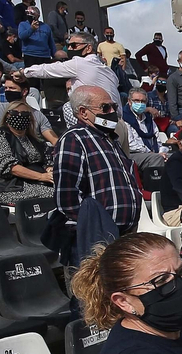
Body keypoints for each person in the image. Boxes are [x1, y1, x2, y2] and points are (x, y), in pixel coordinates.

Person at [53, 85, 141, 255]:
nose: (112, 112)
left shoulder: (110, 140)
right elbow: (67, 195)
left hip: (122, 237)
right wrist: (94, 225)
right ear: (83, 112)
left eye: (114, 107)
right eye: (105, 107)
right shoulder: (74, 139)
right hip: (95, 242)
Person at [14, 33, 118, 111]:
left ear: (88, 48)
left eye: (73, 45)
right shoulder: (109, 71)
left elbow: (47, 70)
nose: (69, 48)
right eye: (68, 45)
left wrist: (23, 72)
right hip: (118, 121)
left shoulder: (79, 63)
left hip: (98, 119)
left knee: (68, 108)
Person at [0, 100, 53, 204]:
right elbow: (9, 167)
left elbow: (47, 159)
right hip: (9, 187)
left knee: (69, 190)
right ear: (7, 116)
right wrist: (41, 176)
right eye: (15, 113)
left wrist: (49, 168)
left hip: (35, 182)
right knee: (56, 193)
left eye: (25, 114)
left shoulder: (34, 139)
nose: (20, 116)